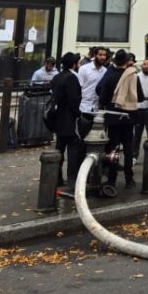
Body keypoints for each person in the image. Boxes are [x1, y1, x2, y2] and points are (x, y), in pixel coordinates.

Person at [96, 50, 140, 189]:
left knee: (113, 149)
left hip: (113, 115)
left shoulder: (110, 76)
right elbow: (140, 96)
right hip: (129, 115)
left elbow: (103, 97)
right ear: (127, 61)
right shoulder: (133, 76)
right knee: (128, 148)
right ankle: (129, 178)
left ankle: (111, 180)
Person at [50, 52, 86, 192]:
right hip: (69, 118)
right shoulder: (71, 78)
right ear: (74, 64)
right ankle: (72, 178)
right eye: (78, 63)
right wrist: (77, 114)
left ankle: (56, 177)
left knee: (60, 147)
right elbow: (73, 100)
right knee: (73, 149)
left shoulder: (57, 77)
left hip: (59, 118)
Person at [78, 46, 108, 115]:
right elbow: (78, 88)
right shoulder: (84, 69)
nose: (103, 57)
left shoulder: (105, 71)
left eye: (104, 55)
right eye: (100, 55)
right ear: (95, 55)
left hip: (98, 109)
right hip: (83, 107)